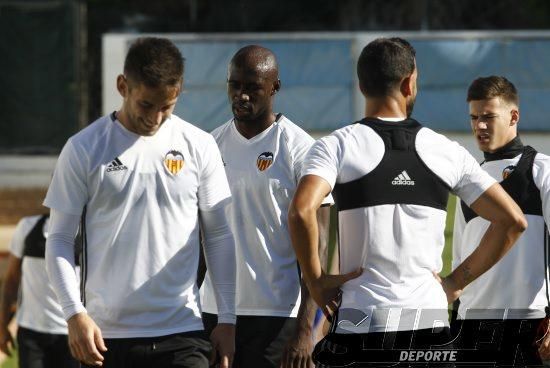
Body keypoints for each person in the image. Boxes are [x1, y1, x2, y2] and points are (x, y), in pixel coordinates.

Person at [288, 37, 527, 367]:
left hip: (359, 326)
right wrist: (455, 282)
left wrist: (316, 282)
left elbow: (302, 211)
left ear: (361, 85)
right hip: (428, 328)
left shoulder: (336, 146)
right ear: (409, 82)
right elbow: (512, 221)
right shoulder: (445, 150)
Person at [43, 37, 236, 368]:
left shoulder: (200, 146)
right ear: (123, 86)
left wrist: (227, 318)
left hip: (184, 331)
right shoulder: (84, 148)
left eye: (167, 106)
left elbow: (218, 234)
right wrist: (74, 313)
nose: (156, 118)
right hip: (106, 337)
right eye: (147, 105)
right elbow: (59, 238)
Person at [200, 45, 332, 368]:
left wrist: (306, 328)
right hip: (215, 312)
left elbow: (322, 246)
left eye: (252, 87)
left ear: (274, 87)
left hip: (277, 318)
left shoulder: (300, 149)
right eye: (235, 85)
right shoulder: (208, 147)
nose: (241, 95)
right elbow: (196, 239)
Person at [452, 76, 550, 366]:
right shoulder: (469, 180)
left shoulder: (541, 170)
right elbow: (460, 260)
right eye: (474, 117)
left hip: (529, 325)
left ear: (513, 116)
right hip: (470, 327)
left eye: (488, 117)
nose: (479, 125)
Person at [0, 213, 79, 368]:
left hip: (72, 334)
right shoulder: (27, 226)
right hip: (31, 333)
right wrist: (2, 325)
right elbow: (11, 280)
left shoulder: (88, 232)